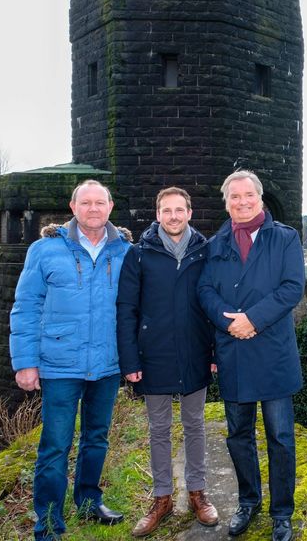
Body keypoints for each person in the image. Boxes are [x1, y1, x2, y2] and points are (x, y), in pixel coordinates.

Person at [10, 180, 132, 541]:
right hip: (59, 364)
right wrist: (25, 362)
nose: (93, 209)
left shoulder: (126, 251)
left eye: (100, 203)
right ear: (73, 206)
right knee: (55, 445)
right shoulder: (44, 251)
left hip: (107, 364)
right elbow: (26, 307)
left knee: (96, 438)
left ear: (110, 207)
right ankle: (48, 522)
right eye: (86, 202)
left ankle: (89, 502)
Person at [198, 170, 304, 541]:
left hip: (272, 350)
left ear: (260, 199)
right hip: (234, 352)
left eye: (249, 196)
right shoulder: (215, 244)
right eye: (234, 197)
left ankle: (282, 513)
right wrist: (230, 324)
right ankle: (248, 502)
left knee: (280, 436)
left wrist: (252, 319)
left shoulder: (286, 239)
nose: (242, 202)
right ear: (226, 203)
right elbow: (205, 290)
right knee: (238, 434)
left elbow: (292, 288)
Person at [116, 186, 218, 536]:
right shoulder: (139, 254)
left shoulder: (206, 251)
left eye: (179, 210)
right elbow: (126, 309)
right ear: (157, 215)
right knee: (158, 430)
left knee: (195, 426)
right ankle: (162, 499)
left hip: (195, 352)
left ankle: (197, 494)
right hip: (153, 354)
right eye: (166, 210)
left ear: (190, 213)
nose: (173, 216)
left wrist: (216, 352)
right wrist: (129, 358)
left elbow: (216, 305)